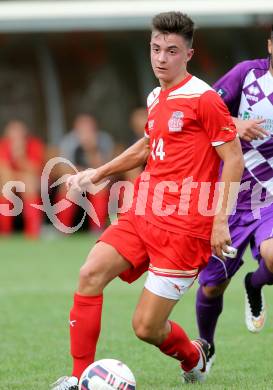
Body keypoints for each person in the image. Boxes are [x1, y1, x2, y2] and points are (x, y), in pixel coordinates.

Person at [51, 12, 243, 389]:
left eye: (171, 51)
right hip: (143, 211)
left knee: (146, 327)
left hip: (185, 229)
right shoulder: (157, 96)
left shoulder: (204, 99)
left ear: (188, 54)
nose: (161, 58)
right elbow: (146, 146)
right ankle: (78, 380)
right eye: (156, 49)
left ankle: (193, 355)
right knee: (90, 273)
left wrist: (220, 220)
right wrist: (98, 172)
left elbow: (233, 158)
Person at [195, 25, 273, 372]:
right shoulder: (247, 74)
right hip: (232, 195)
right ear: (270, 44)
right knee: (212, 287)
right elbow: (203, 112)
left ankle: (254, 284)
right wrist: (235, 126)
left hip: (269, 197)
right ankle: (206, 345)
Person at [56, 113, 114, 231]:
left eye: (89, 127)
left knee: (100, 186)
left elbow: (106, 168)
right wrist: (81, 178)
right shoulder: (69, 142)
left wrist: (91, 149)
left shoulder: (104, 140)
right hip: (76, 178)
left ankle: (97, 228)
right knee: (68, 188)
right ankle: (62, 228)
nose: (86, 131)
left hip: (97, 178)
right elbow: (64, 170)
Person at [0, 119, 44, 238]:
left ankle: (33, 232)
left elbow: (35, 170)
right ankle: (4, 232)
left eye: (19, 132)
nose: (17, 136)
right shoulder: (3, 145)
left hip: (32, 182)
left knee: (29, 183)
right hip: (10, 180)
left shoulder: (34, 145)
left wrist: (21, 157)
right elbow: (4, 171)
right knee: (6, 185)